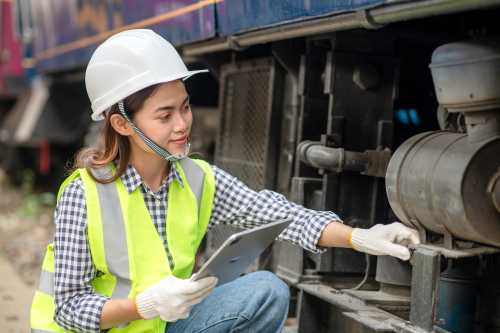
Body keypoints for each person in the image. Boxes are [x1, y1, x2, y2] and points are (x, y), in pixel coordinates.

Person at [30, 29, 420, 333]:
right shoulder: (86, 194)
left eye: (184, 107)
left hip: (159, 325)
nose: (182, 124)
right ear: (121, 124)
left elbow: (279, 214)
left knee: (266, 291)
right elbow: (66, 310)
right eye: (164, 116)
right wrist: (143, 306)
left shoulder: (197, 179)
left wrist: (361, 237)